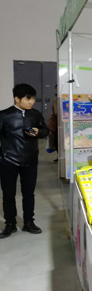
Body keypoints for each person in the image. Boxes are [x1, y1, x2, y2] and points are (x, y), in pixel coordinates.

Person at [0, 83, 49, 238]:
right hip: (8, 161)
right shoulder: (4, 115)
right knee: (8, 194)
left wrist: (38, 132)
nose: (31, 102)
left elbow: (46, 131)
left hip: (30, 160)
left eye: (33, 98)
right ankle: (10, 224)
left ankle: (29, 222)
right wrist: (2, 155)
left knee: (29, 193)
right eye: (28, 99)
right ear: (17, 99)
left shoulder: (35, 114)